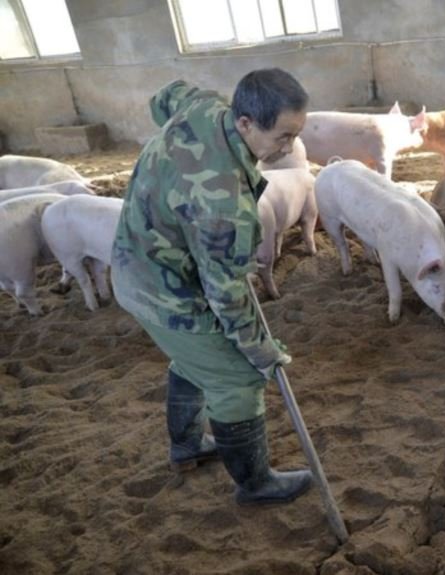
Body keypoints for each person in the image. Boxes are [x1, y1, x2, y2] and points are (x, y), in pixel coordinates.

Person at [111, 68, 311, 505]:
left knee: (199, 359)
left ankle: (187, 446)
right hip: (163, 290)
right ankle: (255, 484)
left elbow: (164, 95)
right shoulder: (224, 204)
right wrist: (263, 355)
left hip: (139, 262)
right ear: (245, 122)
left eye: (296, 134)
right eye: (281, 137)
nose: (289, 148)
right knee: (236, 378)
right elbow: (227, 295)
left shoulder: (203, 104)